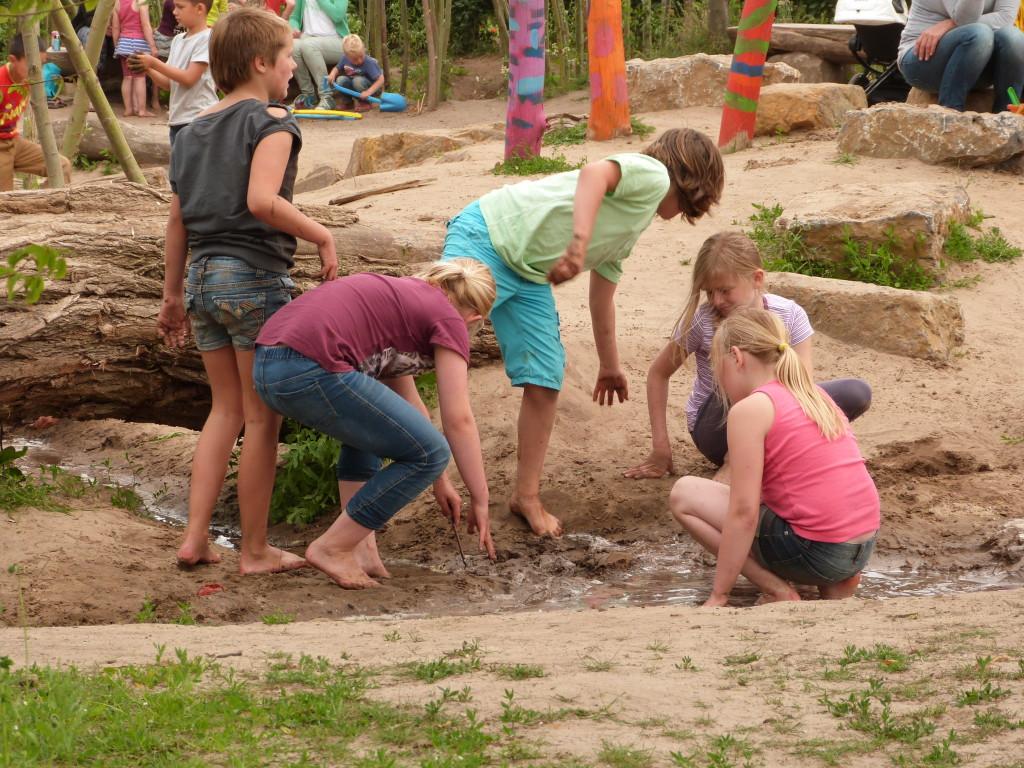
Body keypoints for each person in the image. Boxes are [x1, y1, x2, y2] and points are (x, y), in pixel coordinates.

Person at [442, 128, 725, 537]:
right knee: (433, 341)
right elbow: (595, 173)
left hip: (530, 275)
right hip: (488, 236)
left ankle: (527, 496)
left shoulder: (631, 227)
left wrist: (610, 365)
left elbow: (601, 298)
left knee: (544, 376)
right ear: (695, 178)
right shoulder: (654, 174)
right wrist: (578, 244)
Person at [157, 7, 338, 573]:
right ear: (262, 63)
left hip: (201, 282)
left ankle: (195, 537)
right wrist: (320, 234)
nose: (292, 68)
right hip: (252, 278)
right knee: (261, 419)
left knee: (224, 412)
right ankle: (255, 551)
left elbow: (177, 222)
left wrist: (169, 298)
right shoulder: (274, 121)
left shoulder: (189, 132)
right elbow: (263, 201)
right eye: (288, 58)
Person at [254, 261, 497, 589]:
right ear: (475, 319)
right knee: (431, 451)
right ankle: (333, 547)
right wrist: (480, 499)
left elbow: (407, 410)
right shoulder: (450, 319)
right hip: (309, 367)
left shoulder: (405, 299)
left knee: (373, 433)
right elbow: (459, 420)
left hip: (268, 366)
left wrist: (442, 481)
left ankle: (361, 551)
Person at [669, 307, 881, 606]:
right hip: (859, 549)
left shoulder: (751, 409)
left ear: (737, 358)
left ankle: (778, 590)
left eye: (719, 370)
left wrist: (719, 595)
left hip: (816, 552)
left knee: (684, 494)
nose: (721, 383)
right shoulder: (815, 395)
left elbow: (743, 513)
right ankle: (836, 587)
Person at [624, 231, 872, 483]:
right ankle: (735, 460)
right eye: (709, 292)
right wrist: (660, 448)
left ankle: (789, 454)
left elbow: (802, 386)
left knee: (855, 392)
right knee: (745, 375)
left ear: (756, 278)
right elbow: (658, 373)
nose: (717, 300)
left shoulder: (790, 315)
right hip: (718, 426)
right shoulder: (704, 320)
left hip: (774, 415)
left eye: (725, 290)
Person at [898, 0, 1024, 112]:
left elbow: (1005, 18)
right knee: (978, 34)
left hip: (976, 61)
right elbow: (964, 17)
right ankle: (950, 114)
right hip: (922, 57)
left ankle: (1006, 117)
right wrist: (955, 23)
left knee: (1014, 37)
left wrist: (948, 24)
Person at [131, 0, 219, 146]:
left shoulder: (207, 38)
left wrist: (154, 63)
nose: (174, 12)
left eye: (180, 7)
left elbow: (189, 78)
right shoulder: (177, 40)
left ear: (200, 9)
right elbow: (168, 84)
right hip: (177, 120)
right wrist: (147, 69)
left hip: (199, 121)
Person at [0, 36, 73, 192]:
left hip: (14, 140)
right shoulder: (2, 82)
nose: (37, 69)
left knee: (62, 166)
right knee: (5, 199)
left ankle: (44, 204)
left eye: (42, 63)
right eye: (31, 64)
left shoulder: (31, 80)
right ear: (13, 60)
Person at [289, 0, 349, 110]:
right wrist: (294, 27)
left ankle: (327, 97)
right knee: (292, 46)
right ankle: (309, 96)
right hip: (309, 38)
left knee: (309, 45)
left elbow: (338, 15)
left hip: (338, 41)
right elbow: (294, 17)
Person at [112, 0, 159, 117]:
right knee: (140, 78)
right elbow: (145, 25)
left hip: (123, 43)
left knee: (127, 77)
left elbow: (115, 28)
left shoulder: (117, 3)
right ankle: (142, 110)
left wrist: (117, 45)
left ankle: (129, 109)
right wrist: (152, 46)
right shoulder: (141, 1)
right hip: (139, 44)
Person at [327, 33, 383, 112]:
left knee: (357, 80)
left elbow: (381, 79)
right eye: (355, 59)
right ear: (347, 56)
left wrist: (368, 92)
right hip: (356, 87)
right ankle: (348, 102)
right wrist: (332, 74)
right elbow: (337, 68)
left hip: (372, 89)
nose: (359, 60)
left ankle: (366, 103)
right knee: (340, 79)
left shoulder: (369, 62)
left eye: (361, 56)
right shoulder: (344, 59)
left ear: (363, 49)